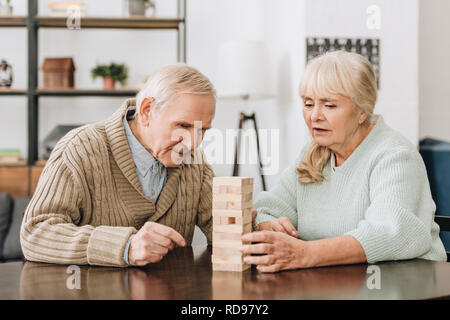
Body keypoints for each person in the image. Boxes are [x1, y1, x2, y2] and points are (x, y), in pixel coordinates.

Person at [242, 51, 447, 273]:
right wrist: (269, 227)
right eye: (308, 104)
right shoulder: (312, 154)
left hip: (401, 285)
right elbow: (266, 208)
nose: (314, 116)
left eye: (329, 106)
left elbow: (388, 233)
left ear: (362, 111)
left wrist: (303, 253)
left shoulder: (395, 156)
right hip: (334, 285)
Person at [20, 63, 216, 267]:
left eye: (202, 130)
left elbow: (224, 227)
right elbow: (36, 233)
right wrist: (126, 247)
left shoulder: (194, 161)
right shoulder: (80, 148)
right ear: (147, 111)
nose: (193, 143)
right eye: (183, 126)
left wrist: (248, 237)